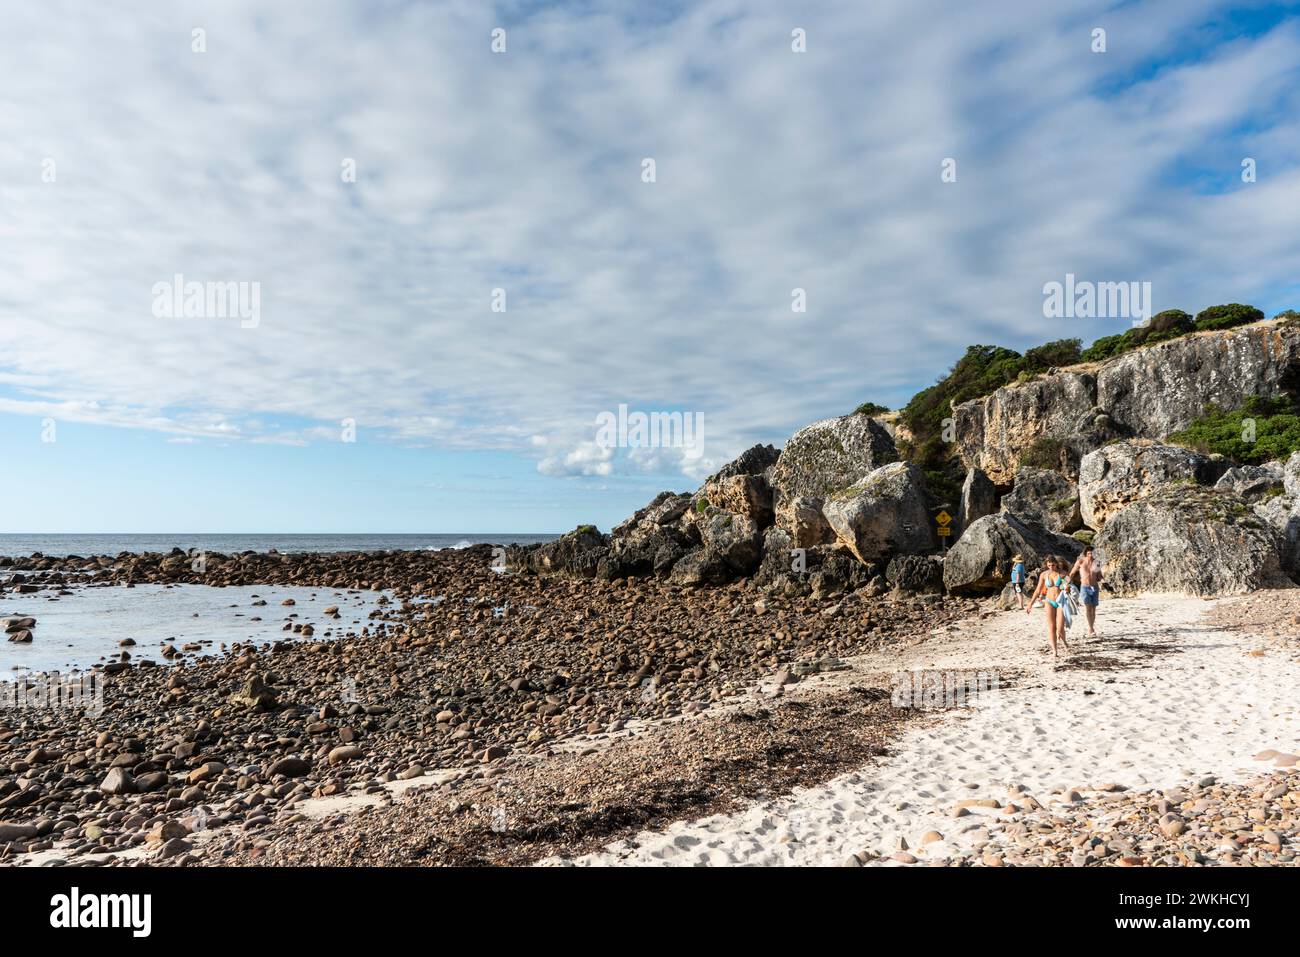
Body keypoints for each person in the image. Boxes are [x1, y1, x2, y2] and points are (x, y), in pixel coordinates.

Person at [1026, 555, 1070, 658]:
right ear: (1046, 564)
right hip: (1049, 601)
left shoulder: (1063, 573)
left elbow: (1069, 585)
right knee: (1051, 627)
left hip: (1061, 601)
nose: (1051, 567)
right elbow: (1038, 590)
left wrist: (1066, 587)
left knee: (1059, 628)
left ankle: (1064, 641)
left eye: (1053, 565)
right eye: (1049, 565)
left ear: (1056, 564)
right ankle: (1055, 651)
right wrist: (1030, 604)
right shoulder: (1043, 575)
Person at [1070, 546, 1103, 638]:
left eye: (1092, 553)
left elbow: (1099, 576)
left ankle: (1092, 627)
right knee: (1088, 608)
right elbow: (1072, 573)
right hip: (1084, 587)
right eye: (1089, 553)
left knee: (1093, 609)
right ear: (1086, 553)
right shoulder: (1081, 561)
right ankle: (1090, 628)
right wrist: (1066, 582)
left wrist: (1104, 582)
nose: (1090, 555)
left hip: (1095, 587)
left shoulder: (1096, 563)